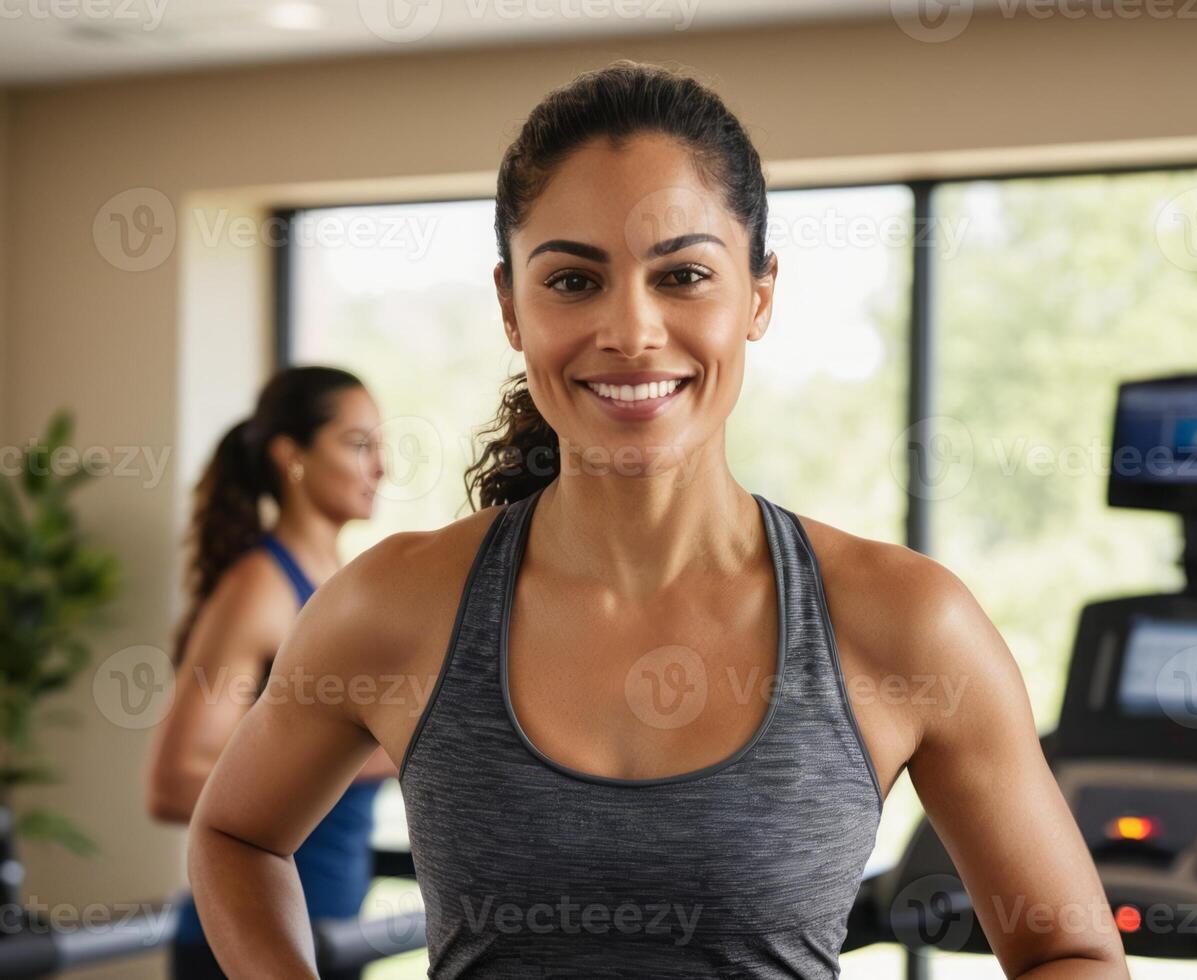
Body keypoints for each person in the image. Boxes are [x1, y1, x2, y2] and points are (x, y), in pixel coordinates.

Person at [186, 61, 1129, 978]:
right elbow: (234, 836)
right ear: (511, 307)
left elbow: (1068, 951)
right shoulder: (394, 603)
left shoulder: (905, 620)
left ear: (757, 295)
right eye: (571, 281)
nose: (631, 331)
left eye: (681, 276)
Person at [147, 366, 396, 979]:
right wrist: (379, 752)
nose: (381, 468)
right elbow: (174, 783)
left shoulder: (340, 584)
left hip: (325, 935)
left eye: (380, 446)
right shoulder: (261, 589)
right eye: (358, 444)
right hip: (241, 945)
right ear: (293, 457)